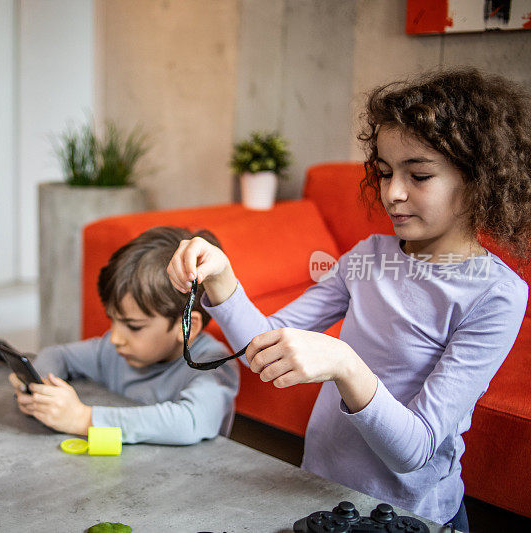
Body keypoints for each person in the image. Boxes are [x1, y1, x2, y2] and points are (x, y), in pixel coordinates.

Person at [167, 68, 531, 530]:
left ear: (479, 180)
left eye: (418, 175)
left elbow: (415, 451)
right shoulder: (368, 257)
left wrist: (346, 363)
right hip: (322, 490)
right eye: (384, 173)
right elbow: (262, 342)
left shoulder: (496, 295)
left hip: (409, 514)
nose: (393, 194)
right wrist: (220, 276)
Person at [9, 226, 239, 445]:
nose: (114, 338)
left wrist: (83, 418)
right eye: (113, 319)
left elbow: (190, 422)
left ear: (186, 326)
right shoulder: (112, 351)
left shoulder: (213, 365)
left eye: (134, 326)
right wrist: (39, 388)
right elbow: (57, 355)